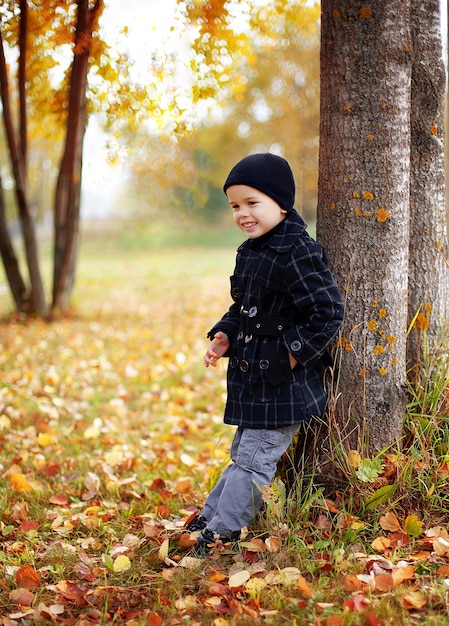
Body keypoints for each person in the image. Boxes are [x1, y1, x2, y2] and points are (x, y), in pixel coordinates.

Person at [186, 153, 344, 556]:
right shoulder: (251, 250)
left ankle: (221, 534)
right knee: (244, 454)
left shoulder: (297, 251)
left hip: (282, 383)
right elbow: (245, 308)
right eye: (235, 206)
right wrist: (224, 334)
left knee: (254, 461)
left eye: (252, 203)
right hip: (254, 380)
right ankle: (210, 517)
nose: (242, 213)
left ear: (281, 203)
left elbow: (327, 313)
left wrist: (289, 357)